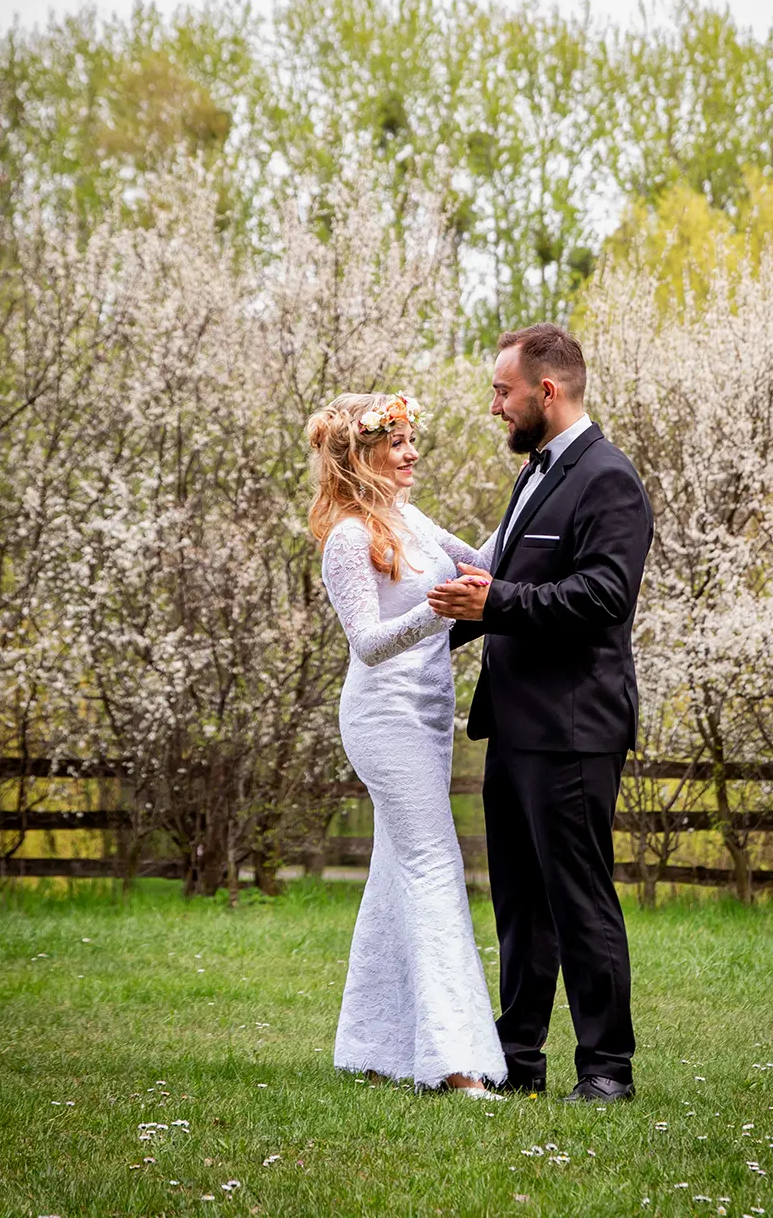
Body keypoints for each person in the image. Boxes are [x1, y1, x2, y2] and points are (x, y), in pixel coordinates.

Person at [428, 324, 653, 1104]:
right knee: (521, 906)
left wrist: (496, 603)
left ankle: (608, 1070)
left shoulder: (609, 479)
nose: (496, 406)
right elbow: (502, 582)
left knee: (579, 899)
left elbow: (603, 595)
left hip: (573, 729)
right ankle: (517, 1059)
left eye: (503, 391)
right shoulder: (535, 472)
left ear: (546, 391)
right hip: (516, 726)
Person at [306, 392, 506, 1097]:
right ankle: (455, 1063)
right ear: (361, 455)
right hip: (384, 719)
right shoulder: (347, 539)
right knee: (432, 865)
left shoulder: (409, 518)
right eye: (396, 443)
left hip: (428, 714)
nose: (412, 452)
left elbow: (482, 560)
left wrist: (534, 493)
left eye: (410, 440)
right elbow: (366, 642)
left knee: (398, 868)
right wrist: (436, 612)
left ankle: (373, 1048)